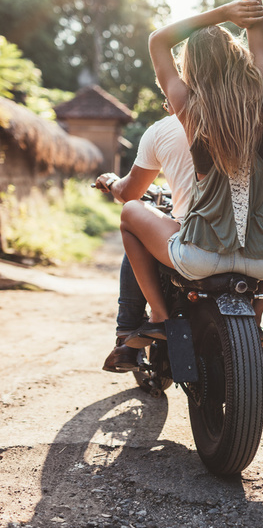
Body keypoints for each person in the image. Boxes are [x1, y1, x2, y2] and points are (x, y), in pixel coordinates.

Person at [113, 0, 263, 351]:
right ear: (240, 63)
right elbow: (257, 16)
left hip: (198, 259)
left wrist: (218, 15)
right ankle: (255, 316)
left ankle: (156, 313)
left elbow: (158, 41)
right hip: (259, 262)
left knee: (132, 213)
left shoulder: (191, 111)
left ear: (193, 70)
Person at [95, 108, 194, 372]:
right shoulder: (243, 117)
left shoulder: (163, 129)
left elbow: (129, 192)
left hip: (193, 243)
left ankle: (129, 333)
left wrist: (112, 182)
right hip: (244, 239)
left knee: (133, 219)